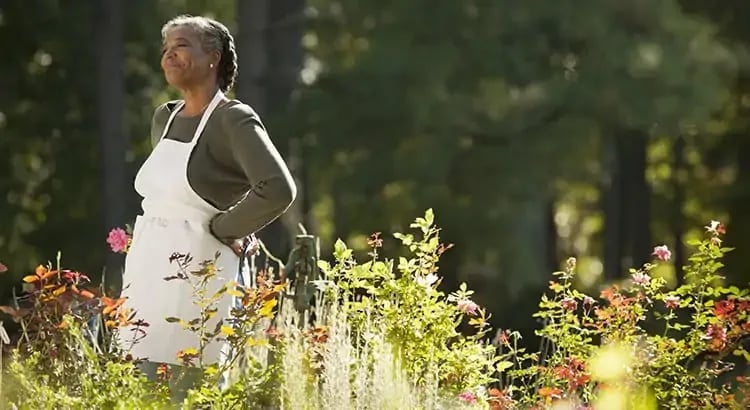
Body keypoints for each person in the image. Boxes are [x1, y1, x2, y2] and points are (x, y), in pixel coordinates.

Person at [120, 14, 296, 382]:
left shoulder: (232, 119)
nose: (169, 55)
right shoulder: (164, 118)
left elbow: (277, 188)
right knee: (140, 384)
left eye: (181, 45)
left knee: (192, 383)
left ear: (213, 56)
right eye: (166, 48)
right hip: (148, 268)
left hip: (200, 270)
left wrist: (225, 228)